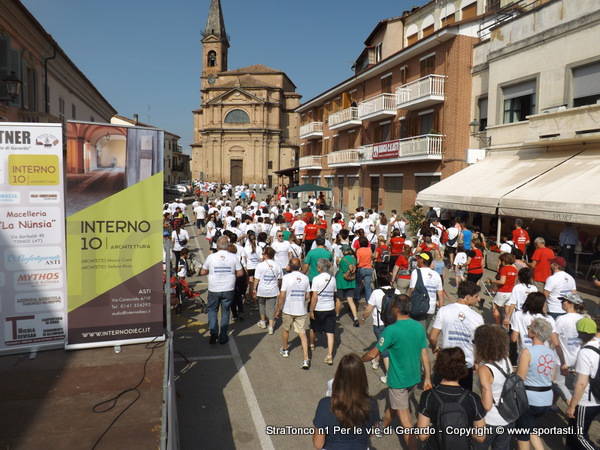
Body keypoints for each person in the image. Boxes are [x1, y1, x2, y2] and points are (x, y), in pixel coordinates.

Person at [362, 294, 432, 450]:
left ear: (395, 309)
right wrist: (427, 377)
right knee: (392, 408)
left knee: (406, 424)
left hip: (398, 381)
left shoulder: (390, 330)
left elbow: (373, 353)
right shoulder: (418, 327)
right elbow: (425, 355)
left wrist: (359, 360)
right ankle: (380, 428)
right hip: (414, 379)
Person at [416, 348, 486, 449]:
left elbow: (422, 436)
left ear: (439, 367)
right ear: (463, 368)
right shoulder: (472, 398)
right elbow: (480, 436)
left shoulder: (428, 396)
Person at [312, 353, 380, 450]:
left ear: (338, 376)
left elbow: (318, 444)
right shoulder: (372, 404)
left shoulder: (325, 405)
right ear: (363, 377)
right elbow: (374, 431)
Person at [429, 281, 484, 391]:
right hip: (466, 363)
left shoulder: (444, 310)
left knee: (442, 394)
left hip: (446, 360)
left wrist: (435, 348)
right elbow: (479, 345)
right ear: (467, 297)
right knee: (463, 398)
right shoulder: (477, 317)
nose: (478, 299)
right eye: (476, 296)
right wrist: (477, 361)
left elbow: (433, 336)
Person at [515, 318, 558, 449]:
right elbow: (553, 377)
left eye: (529, 327)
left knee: (522, 435)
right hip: (546, 399)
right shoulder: (551, 353)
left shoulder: (527, 352)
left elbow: (520, 378)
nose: (527, 329)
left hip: (530, 399)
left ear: (535, 333)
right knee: (531, 429)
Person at [200, 236, 244, 345]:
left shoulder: (211, 257)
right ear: (228, 245)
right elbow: (240, 273)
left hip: (214, 288)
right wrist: (230, 274)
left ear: (217, 245)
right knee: (225, 311)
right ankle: (223, 335)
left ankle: (213, 331)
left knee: (212, 310)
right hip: (228, 288)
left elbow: (203, 272)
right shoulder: (233, 257)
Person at [566, 317, 600, 450]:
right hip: (597, 397)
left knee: (579, 436)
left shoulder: (585, 352)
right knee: (573, 432)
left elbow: (581, 383)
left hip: (586, 401)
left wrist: (572, 406)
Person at [275, 257, 311, 369]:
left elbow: (282, 295)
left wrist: (278, 309)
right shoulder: (305, 278)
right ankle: (306, 359)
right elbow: (307, 296)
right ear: (300, 266)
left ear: (289, 266)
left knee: (286, 329)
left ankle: (285, 349)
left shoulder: (286, 278)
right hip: (301, 310)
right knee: (303, 334)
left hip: (288, 309)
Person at [361, 270, 398, 383]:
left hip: (380, 324)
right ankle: (376, 362)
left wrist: (363, 318)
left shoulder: (376, 293)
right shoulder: (397, 291)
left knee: (385, 349)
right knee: (382, 343)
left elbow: (368, 310)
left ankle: (389, 375)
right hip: (393, 323)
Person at [555, 293, 585, 402]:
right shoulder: (583, 319)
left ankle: (571, 406)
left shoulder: (561, 319)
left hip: (562, 358)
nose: (561, 303)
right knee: (576, 384)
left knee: (558, 383)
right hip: (578, 358)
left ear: (570, 303)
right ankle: (553, 404)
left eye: (563, 301)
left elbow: (555, 339)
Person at [309, 259, 337, 365]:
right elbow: (334, 294)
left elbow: (314, 296)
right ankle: (329, 355)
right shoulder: (333, 279)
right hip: (330, 307)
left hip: (318, 308)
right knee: (330, 332)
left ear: (320, 268)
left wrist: (311, 310)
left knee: (313, 327)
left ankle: (312, 344)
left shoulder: (316, 279)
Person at [407, 252, 445, 330]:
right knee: (424, 329)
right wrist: (441, 311)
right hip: (431, 308)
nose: (417, 260)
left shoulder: (416, 272)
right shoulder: (436, 274)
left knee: (416, 331)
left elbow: (412, 290)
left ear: (422, 260)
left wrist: (406, 303)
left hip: (418, 306)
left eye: (418, 258)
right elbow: (440, 295)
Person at [253, 247, 283, 335]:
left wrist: (254, 289)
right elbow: (280, 279)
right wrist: (279, 287)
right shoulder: (277, 265)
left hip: (262, 290)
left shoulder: (260, 265)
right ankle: (270, 327)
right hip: (273, 290)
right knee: (271, 308)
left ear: (266, 255)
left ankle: (263, 322)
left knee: (261, 305)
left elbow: (257, 279)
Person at [488, 252, 518, 327]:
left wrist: (492, 281)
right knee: (507, 308)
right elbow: (515, 281)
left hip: (502, 291)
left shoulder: (504, 269)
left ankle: (498, 324)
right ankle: (507, 324)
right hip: (510, 292)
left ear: (504, 261)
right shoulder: (514, 269)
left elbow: (502, 281)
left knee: (495, 307)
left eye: (501, 261)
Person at [544, 256, 577, 320]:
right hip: (566, 310)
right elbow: (574, 293)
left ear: (556, 266)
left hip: (553, 309)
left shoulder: (552, 278)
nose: (550, 265)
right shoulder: (570, 278)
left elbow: (545, 295)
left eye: (551, 263)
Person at [335, 245, 359, 325]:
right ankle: (355, 318)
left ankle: (337, 315)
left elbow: (339, 267)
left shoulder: (342, 260)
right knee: (350, 300)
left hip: (341, 281)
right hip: (351, 281)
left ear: (344, 251)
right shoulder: (354, 259)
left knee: (339, 299)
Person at [353, 237, 374, 314]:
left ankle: (356, 300)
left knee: (358, 285)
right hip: (369, 268)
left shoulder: (358, 250)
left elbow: (358, 261)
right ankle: (369, 303)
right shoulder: (369, 249)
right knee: (367, 287)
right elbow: (371, 259)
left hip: (361, 269)